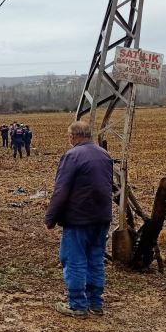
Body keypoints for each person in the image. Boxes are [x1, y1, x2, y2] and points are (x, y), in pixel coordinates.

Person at [45, 121, 113, 318]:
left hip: (78, 218)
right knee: (96, 259)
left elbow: (61, 191)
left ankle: (77, 304)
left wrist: (51, 217)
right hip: (102, 218)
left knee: (74, 260)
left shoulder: (72, 156)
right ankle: (95, 303)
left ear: (73, 137)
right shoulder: (104, 154)